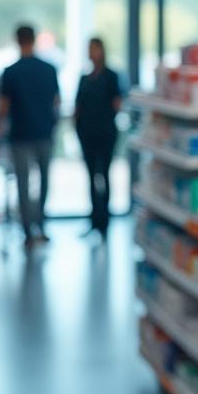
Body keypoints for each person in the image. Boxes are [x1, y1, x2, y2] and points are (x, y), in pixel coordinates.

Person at [0, 24, 60, 246]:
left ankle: (27, 231)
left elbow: (3, 107)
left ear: (17, 41)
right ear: (33, 40)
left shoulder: (11, 72)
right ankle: (41, 224)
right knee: (44, 180)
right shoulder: (49, 69)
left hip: (20, 134)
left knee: (23, 183)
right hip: (44, 131)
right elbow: (57, 101)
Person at [74, 37, 122, 242]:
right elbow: (77, 107)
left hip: (106, 133)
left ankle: (105, 222)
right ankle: (94, 220)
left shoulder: (111, 76)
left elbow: (117, 103)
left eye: (95, 48)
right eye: (89, 49)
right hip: (87, 134)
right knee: (92, 177)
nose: (92, 52)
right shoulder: (84, 78)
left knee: (105, 175)